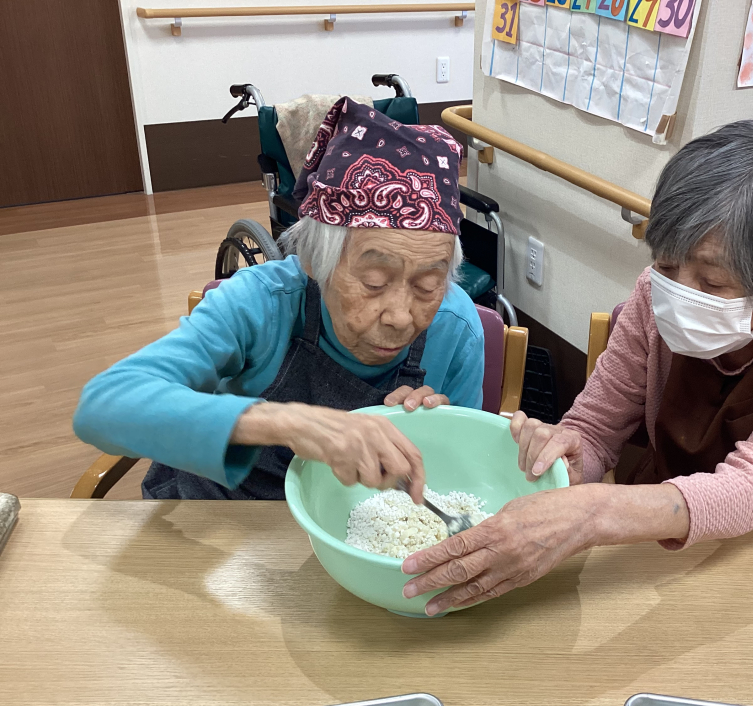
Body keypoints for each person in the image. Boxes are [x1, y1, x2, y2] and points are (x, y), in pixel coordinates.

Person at [401, 117, 753, 615]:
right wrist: (569, 462)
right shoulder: (652, 296)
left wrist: (593, 513)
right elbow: (595, 431)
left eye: (712, 283)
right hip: (673, 550)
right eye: (667, 264)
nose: (679, 294)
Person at [74, 98, 483, 502]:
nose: (399, 317)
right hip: (223, 519)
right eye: (374, 282)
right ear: (313, 263)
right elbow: (104, 405)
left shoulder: (456, 329)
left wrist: (432, 434)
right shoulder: (259, 303)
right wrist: (285, 421)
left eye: (428, 286)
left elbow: (461, 474)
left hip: (348, 527)